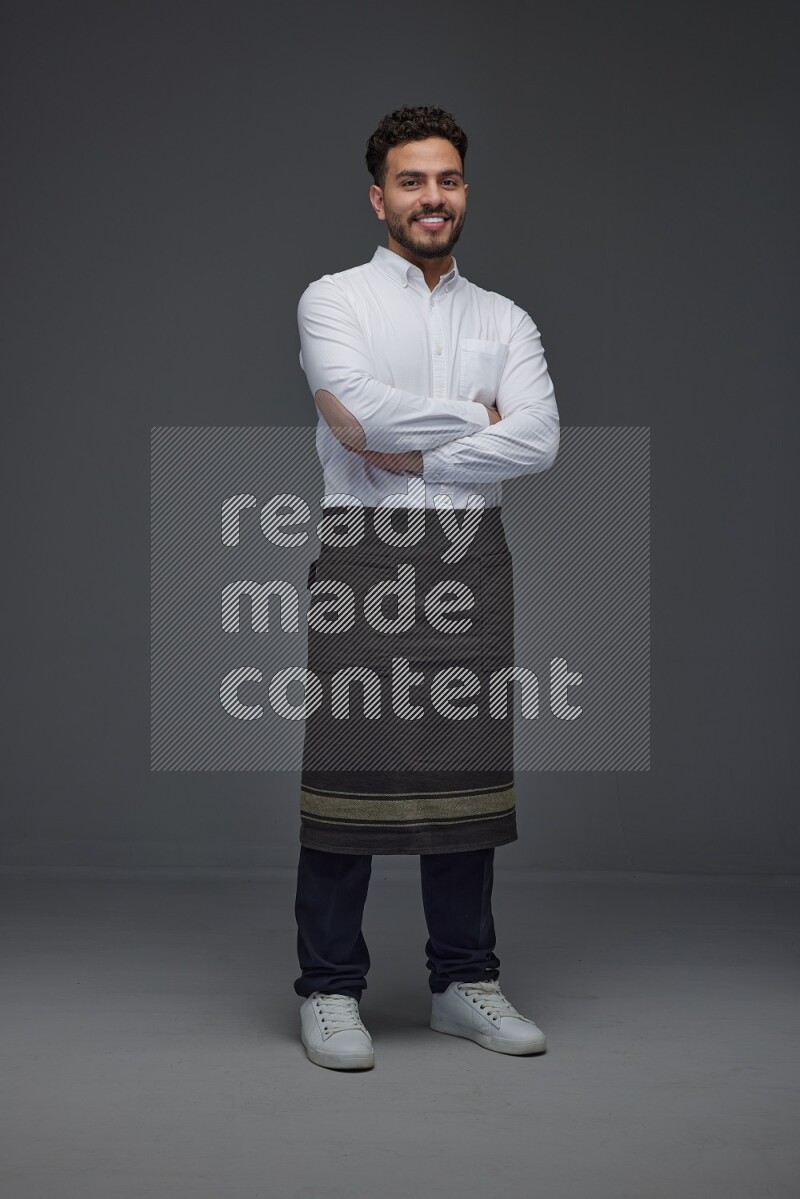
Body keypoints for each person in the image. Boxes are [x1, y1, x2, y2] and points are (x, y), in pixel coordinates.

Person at [293, 105, 560, 1070]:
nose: (432, 197)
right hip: (363, 552)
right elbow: (355, 416)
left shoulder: (505, 317)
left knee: (465, 771)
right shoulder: (334, 300)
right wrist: (470, 423)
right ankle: (328, 988)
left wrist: (420, 457)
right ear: (379, 197)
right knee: (350, 769)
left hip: (469, 555)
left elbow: (539, 439)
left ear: (464, 191)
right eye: (412, 181)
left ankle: (463, 980)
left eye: (446, 179)